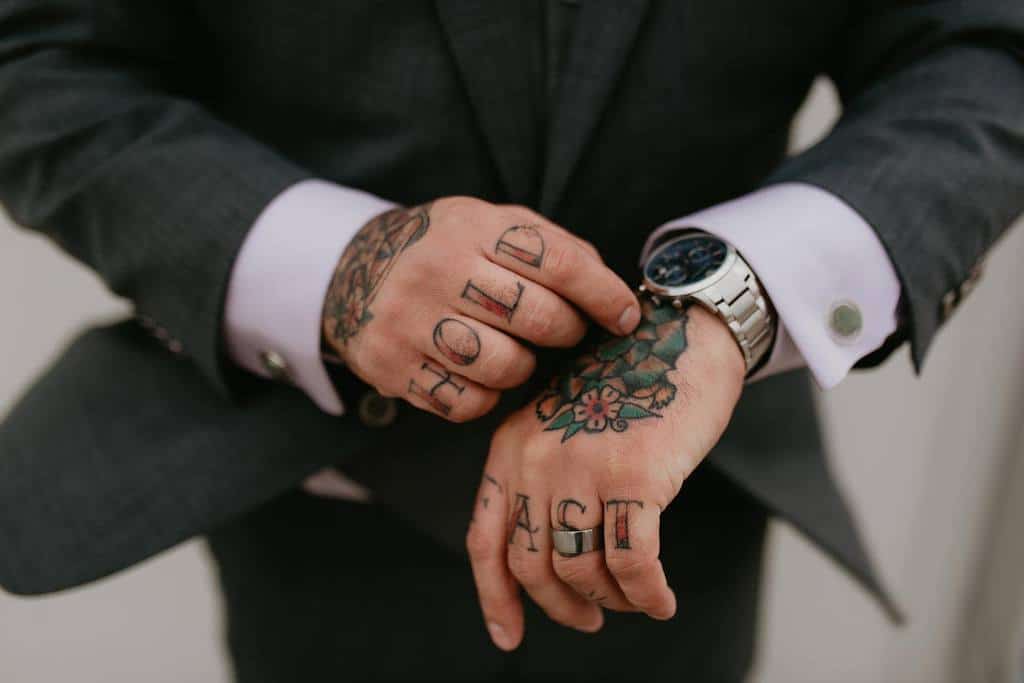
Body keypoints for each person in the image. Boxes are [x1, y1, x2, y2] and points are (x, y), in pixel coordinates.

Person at [1, 2, 1022, 681]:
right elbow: (39, 59)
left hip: (683, 516)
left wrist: (723, 307)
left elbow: (981, 56)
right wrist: (339, 262)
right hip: (309, 503)